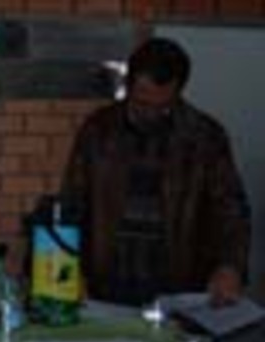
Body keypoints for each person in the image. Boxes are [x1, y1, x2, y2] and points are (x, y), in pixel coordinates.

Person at [61, 37, 251, 307]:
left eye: (161, 106)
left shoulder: (204, 136)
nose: (149, 112)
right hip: (107, 278)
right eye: (141, 102)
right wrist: (68, 267)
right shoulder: (98, 130)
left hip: (178, 281)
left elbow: (230, 208)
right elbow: (72, 202)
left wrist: (231, 267)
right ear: (128, 85)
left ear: (178, 91)